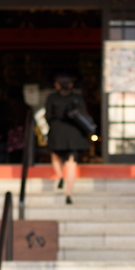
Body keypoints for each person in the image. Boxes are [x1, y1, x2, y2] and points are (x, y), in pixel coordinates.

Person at [44, 74, 91, 205]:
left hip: (57, 131)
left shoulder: (51, 98)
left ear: (57, 85)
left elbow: (48, 116)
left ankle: (60, 176)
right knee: (71, 164)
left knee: (55, 155)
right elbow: (84, 115)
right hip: (74, 133)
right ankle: (69, 193)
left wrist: (54, 125)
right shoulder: (76, 98)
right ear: (70, 85)